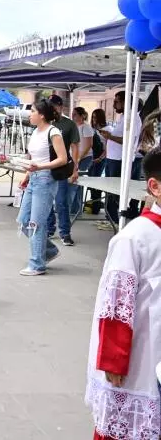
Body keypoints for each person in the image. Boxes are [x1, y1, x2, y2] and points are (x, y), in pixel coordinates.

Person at [84, 147, 161, 440]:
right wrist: (114, 361)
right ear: (154, 186)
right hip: (142, 352)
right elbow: (116, 304)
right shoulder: (134, 237)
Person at [16, 99, 68, 276]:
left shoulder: (53, 132)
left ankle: (37, 263)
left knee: (35, 223)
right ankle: (49, 251)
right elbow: (33, 157)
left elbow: (63, 158)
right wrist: (27, 175)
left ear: (42, 115)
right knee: (24, 221)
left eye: (32, 111)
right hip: (34, 177)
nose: (30, 114)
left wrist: (40, 167)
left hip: (46, 179)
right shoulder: (35, 132)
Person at [100, 91, 142, 226]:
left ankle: (114, 219)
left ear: (125, 102)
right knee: (111, 189)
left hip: (120, 160)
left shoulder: (133, 118)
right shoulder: (124, 117)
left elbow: (128, 140)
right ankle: (111, 216)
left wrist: (110, 137)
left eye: (117, 101)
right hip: (113, 158)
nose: (114, 104)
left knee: (115, 190)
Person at [46, 95, 80, 246]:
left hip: (61, 168)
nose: (52, 109)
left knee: (61, 202)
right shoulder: (44, 123)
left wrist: (75, 168)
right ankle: (49, 228)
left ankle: (65, 232)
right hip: (45, 167)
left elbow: (74, 147)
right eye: (49, 106)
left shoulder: (69, 125)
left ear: (60, 107)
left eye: (54, 106)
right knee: (46, 201)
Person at [71, 107, 94, 219]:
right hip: (76, 157)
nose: (73, 116)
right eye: (72, 114)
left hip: (84, 157)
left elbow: (89, 145)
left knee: (78, 182)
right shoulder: (74, 126)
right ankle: (74, 207)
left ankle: (77, 208)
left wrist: (80, 157)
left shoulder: (86, 127)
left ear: (81, 115)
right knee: (74, 182)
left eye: (75, 114)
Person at [88, 108, 108, 215]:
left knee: (97, 183)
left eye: (96, 117)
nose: (94, 119)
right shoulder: (91, 129)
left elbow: (107, 147)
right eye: (93, 117)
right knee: (91, 182)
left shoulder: (106, 129)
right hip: (92, 158)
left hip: (100, 159)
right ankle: (92, 205)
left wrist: (100, 158)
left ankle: (96, 206)